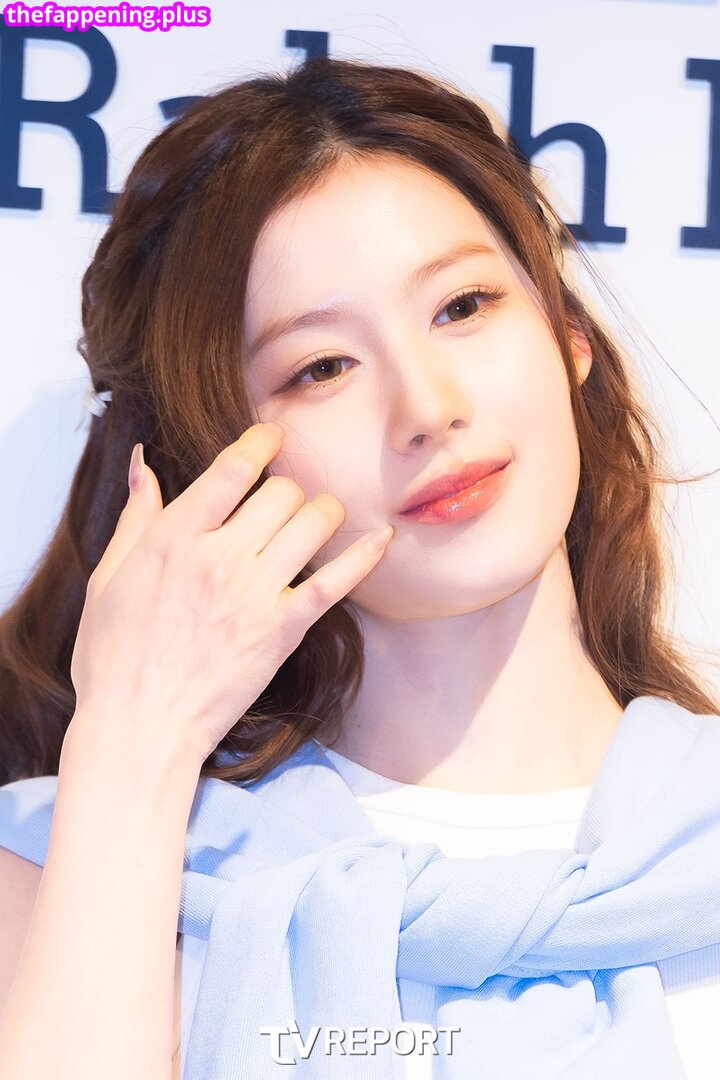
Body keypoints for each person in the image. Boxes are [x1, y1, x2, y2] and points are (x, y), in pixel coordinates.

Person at [0, 55, 719, 1079]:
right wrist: (130, 746)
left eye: (463, 306)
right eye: (323, 367)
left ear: (568, 337)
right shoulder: (76, 865)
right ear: (218, 464)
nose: (427, 408)